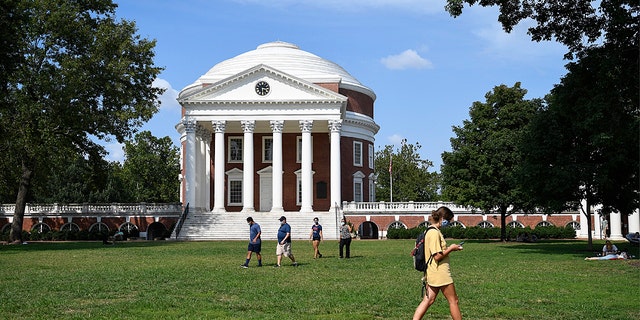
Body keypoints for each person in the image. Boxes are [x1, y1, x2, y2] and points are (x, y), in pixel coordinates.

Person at [413, 206, 463, 320]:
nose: (449, 223)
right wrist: (451, 248)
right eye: (448, 220)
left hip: (432, 271)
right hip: (440, 273)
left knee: (428, 300)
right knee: (453, 300)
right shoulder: (434, 233)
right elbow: (437, 256)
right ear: (442, 218)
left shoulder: (429, 230)